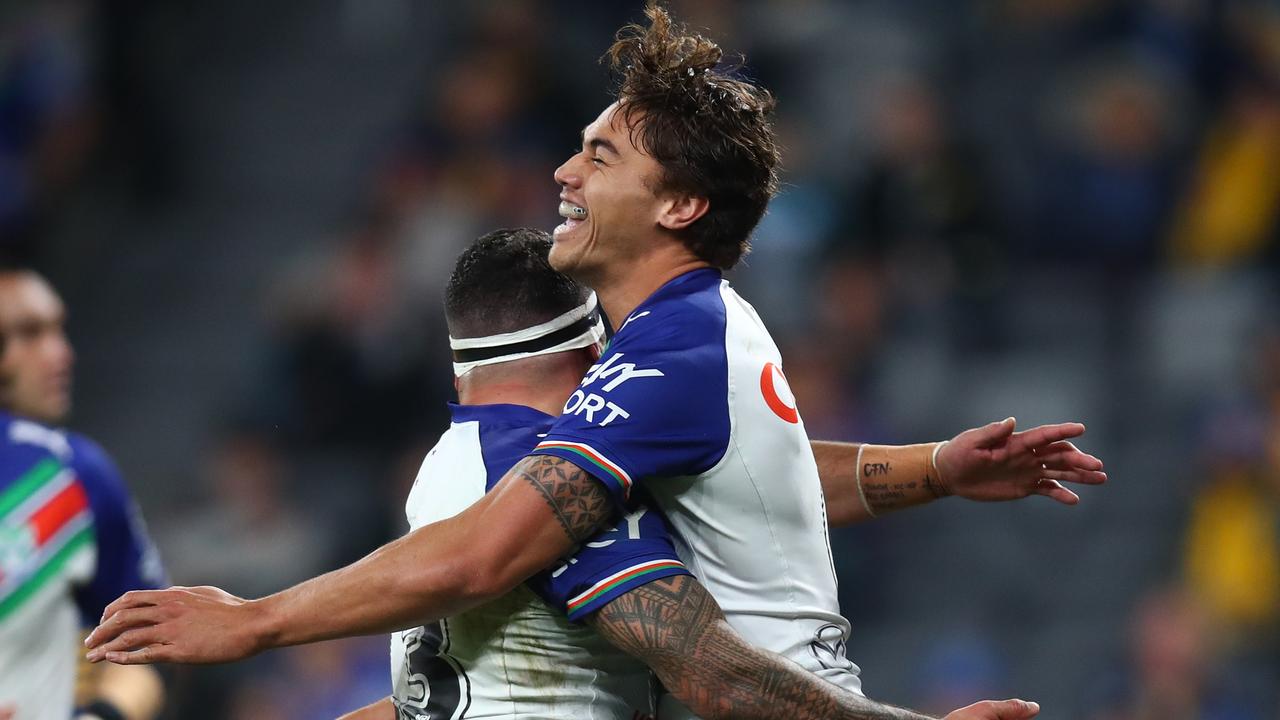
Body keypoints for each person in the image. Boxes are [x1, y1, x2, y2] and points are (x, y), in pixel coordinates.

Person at [87, 5, 1104, 719]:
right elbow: (757, 480)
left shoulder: (668, 352)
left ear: (679, 207)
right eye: (577, 146)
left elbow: (488, 552)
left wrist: (254, 621)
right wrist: (933, 469)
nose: (565, 172)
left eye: (601, 156)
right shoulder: (692, 337)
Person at [339, 227, 1046, 720]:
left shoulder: (445, 468)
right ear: (594, 348)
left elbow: (733, 491)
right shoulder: (548, 476)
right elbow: (713, 672)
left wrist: (934, 469)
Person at [0, 266, 166, 720]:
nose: (61, 354)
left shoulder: (68, 477)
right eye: (29, 334)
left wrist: (102, 716)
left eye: (58, 331)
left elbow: (156, 641)